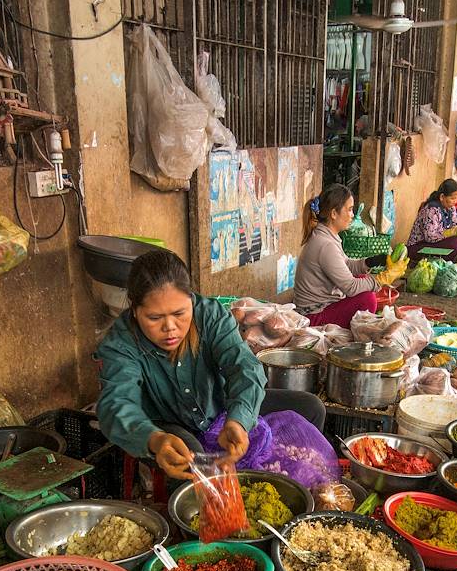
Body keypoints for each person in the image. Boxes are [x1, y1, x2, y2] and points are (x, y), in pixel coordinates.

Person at [97, 250, 328, 481]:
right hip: (170, 425)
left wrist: (238, 420)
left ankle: (302, 481)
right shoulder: (121, 342)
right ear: (135, 312)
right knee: (192, 458)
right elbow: (115, 404)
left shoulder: (210, 315)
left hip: (220, 407)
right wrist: (154, 439)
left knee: (310, 407)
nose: (170, 327)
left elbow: (244, 368)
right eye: (154, 318)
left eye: (179, 313)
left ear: (191, 299)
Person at [294, 184, 378, 328]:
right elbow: (350, 287)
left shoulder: (328, 236)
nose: (352, 215)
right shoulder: (326, 245)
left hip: (320, 308)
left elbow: (348, 266)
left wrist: (371, 262)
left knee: (362, 279)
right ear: (334, 214)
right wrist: (378, 281)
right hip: (312, 317)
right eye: (350, 209)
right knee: (367, 299)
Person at [407, 179, 457, 261]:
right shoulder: (431, 210)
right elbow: (430, 237)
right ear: (442, 197)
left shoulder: (451, 208)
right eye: (452, 198)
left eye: (456, 198)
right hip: (418, 248)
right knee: (455, 243)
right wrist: (453, 232)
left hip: (435, 244)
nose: (455, 202)